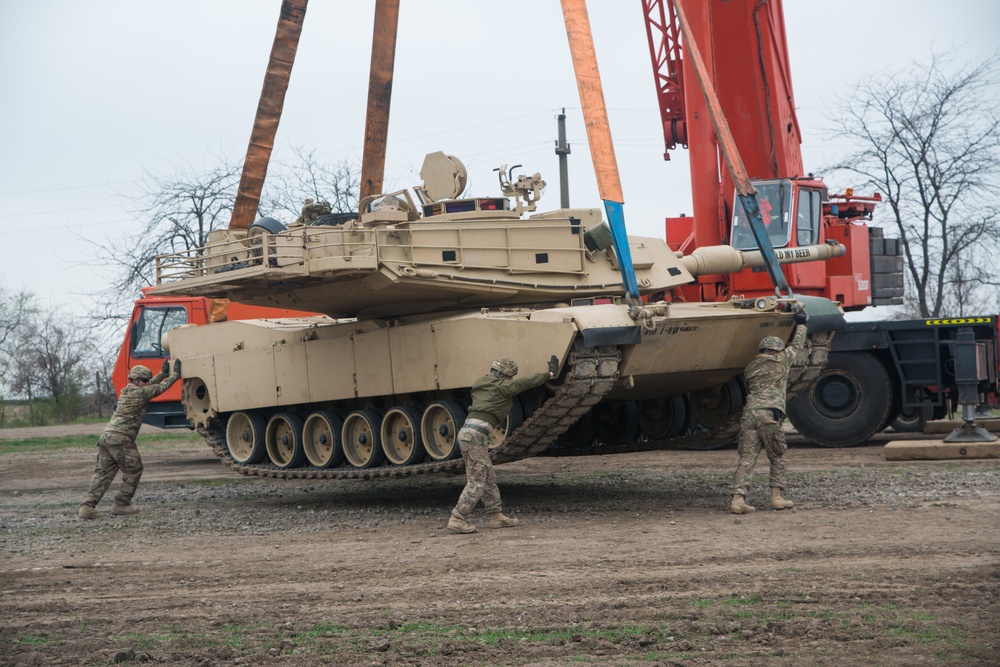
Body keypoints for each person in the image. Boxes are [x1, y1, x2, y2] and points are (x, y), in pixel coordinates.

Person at [448, 355, 558, 534]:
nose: (510, 380)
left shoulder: (481, 383)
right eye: (509, 376)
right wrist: (550, 374)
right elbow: (524, 383)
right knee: (477, 480)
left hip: (470, 434)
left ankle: (495, 516)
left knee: (488, 477)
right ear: (504, 375)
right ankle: (458, 517)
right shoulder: (502, 387)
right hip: (475, 436)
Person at [79, 359, 181, 520]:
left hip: (106, 438)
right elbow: (159, 388)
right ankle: (121, 504)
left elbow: (149, 386)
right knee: (134, 470)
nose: (147, 383)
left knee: (102, 474)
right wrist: (175, 375)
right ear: (138, 380)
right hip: (121, 439)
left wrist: (162, 374)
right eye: (145, 380)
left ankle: (87, 507)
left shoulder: (128, 390)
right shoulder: (140, 393)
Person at [731, 309, 808, 514]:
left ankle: (738, 500)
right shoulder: (780, 361)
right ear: (776, 351)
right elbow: (797, 345)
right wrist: (801, 323)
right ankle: (777, 497)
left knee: (747, 458)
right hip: (768, 415)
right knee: (778, 455)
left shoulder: (750, 367)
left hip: (749, 415)